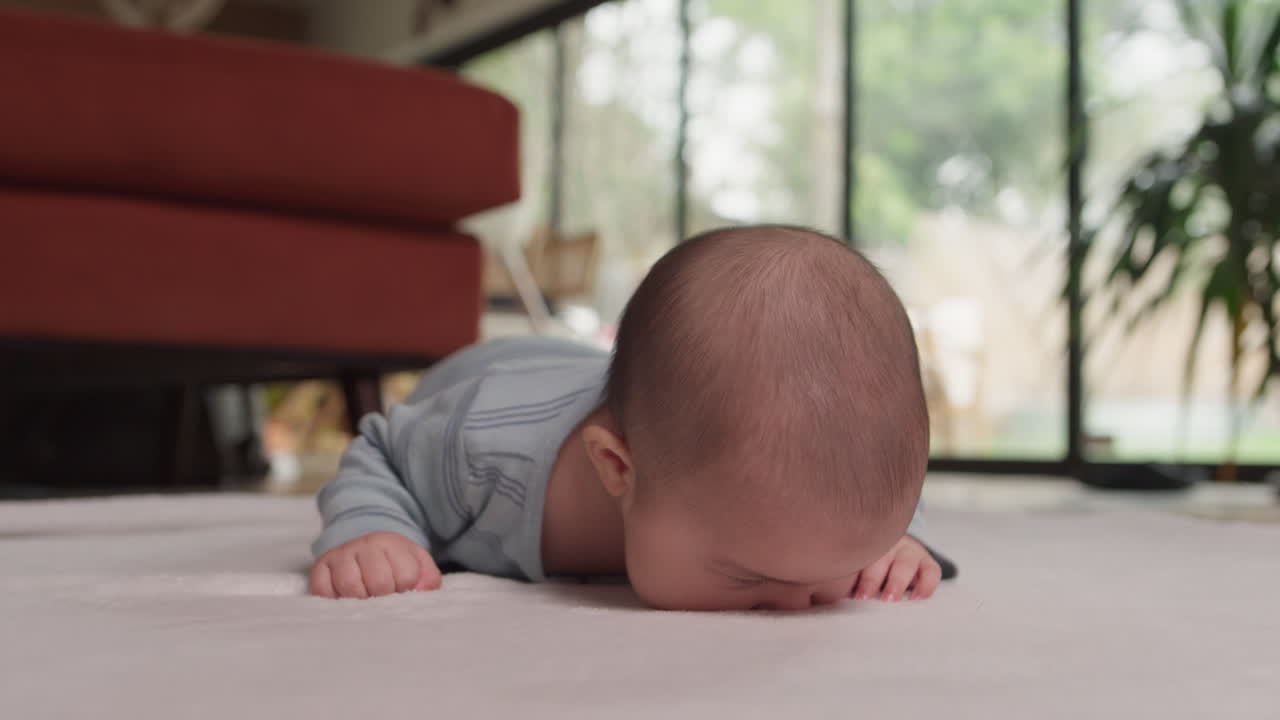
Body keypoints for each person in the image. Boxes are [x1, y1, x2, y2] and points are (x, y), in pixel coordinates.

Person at [309, 225, 950, 611]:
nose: (802, 602)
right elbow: (382, 450)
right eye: (757, 577)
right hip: (491, 374)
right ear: (616, 465)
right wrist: (372, 530)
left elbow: (855, 473)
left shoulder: (786, 482)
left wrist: (896, 536)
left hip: (611, 381)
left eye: (834, 566)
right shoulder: (480, 452)